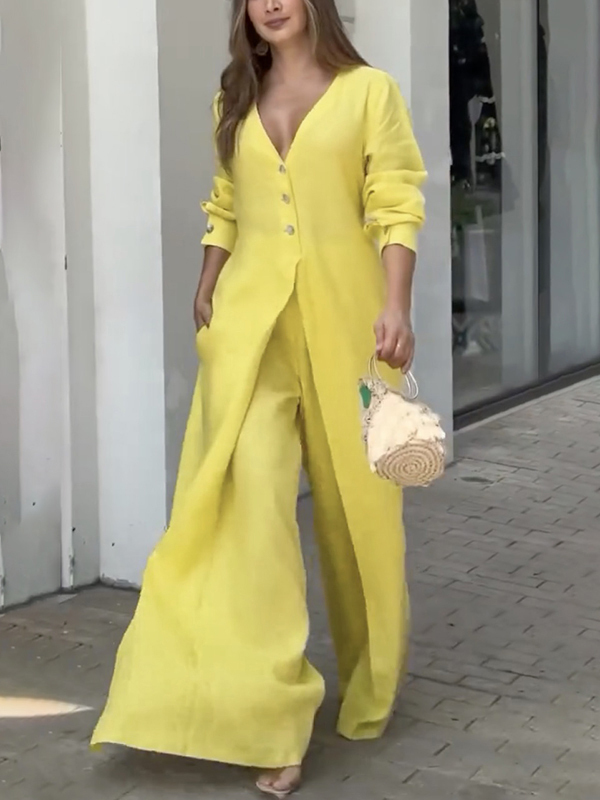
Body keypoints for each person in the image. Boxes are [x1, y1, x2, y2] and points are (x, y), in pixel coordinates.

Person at [92, 0, 426, 796]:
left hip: (351, 329)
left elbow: (396, 200)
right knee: (248, 519)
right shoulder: (235, 94)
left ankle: (371, 682)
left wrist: (397, 305)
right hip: (251, 334)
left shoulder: (369, 91)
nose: (271, 4)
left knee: (359, 521)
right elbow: (227, 202)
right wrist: (207, 280)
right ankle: (269, 719)